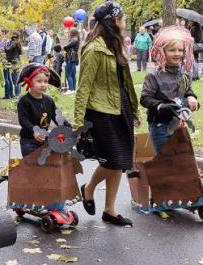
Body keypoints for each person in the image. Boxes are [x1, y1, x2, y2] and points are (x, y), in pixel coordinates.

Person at [73, 1, 140, 227]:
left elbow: (125, 82)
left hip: (121, 107)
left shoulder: (116, 45)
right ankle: (89, 188)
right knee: (112, 159)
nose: (124, 22)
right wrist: (77, 122)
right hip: (101, 110)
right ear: (113, 21)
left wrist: (134, 108)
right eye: (121, 18)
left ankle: (109, 210)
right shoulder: (94, 49)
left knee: (121, 161)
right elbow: (84, 87)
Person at [140, 26, 199, 153]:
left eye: (180, 50)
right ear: (162, 51)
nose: (177, 53)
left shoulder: (184, 73)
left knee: (180, 162)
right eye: (172, 50)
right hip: (160, 126)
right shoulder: (154, 75)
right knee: (166, 163)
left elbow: (188, 89)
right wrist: (162, 106)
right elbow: (145, 99)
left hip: (179, 124)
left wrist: (191, 97)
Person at [17, 63, 68, 157]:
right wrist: (34, 131)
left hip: (44, 139)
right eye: (39, 81)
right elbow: (23, 120)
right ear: (29, 81)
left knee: (50, 163)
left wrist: (69, 128)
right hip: (29, 141)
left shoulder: (49, 101)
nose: (43, 84)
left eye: (45, 81)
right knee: (33, 164)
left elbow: (57, 117)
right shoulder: (24, 101)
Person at [3, 31, 22, 99]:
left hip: (14, 62)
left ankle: (17, 94)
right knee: (15, 79)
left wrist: (5, 43)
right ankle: (17, 94)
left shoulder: (14, 42)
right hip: (14, 61)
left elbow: (7, 49)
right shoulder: (16, 42)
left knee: (15, 79)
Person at [64, 29, 80, 95]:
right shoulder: (76, 39)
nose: (68, 33)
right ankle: (73, 89)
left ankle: (70, 89)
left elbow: (66, 47)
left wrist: (65, 47)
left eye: (69, 32)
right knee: (73, 74)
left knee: (68, 74)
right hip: (74, 58)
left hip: (71, 58)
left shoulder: (74, 39)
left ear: (72, 33)